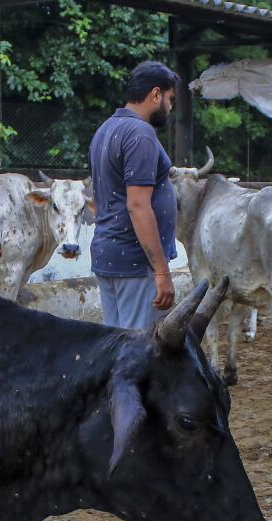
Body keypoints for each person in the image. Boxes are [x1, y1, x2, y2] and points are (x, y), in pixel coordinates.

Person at [88, 61, 179, 330]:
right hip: (135, 264)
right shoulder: (141, 133)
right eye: (170, 98)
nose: (170, 107)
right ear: (155, 94)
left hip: (109, 255)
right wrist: (161, 271)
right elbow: (138, 205)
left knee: (118, 347)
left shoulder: (104, 130)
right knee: (139, 352)